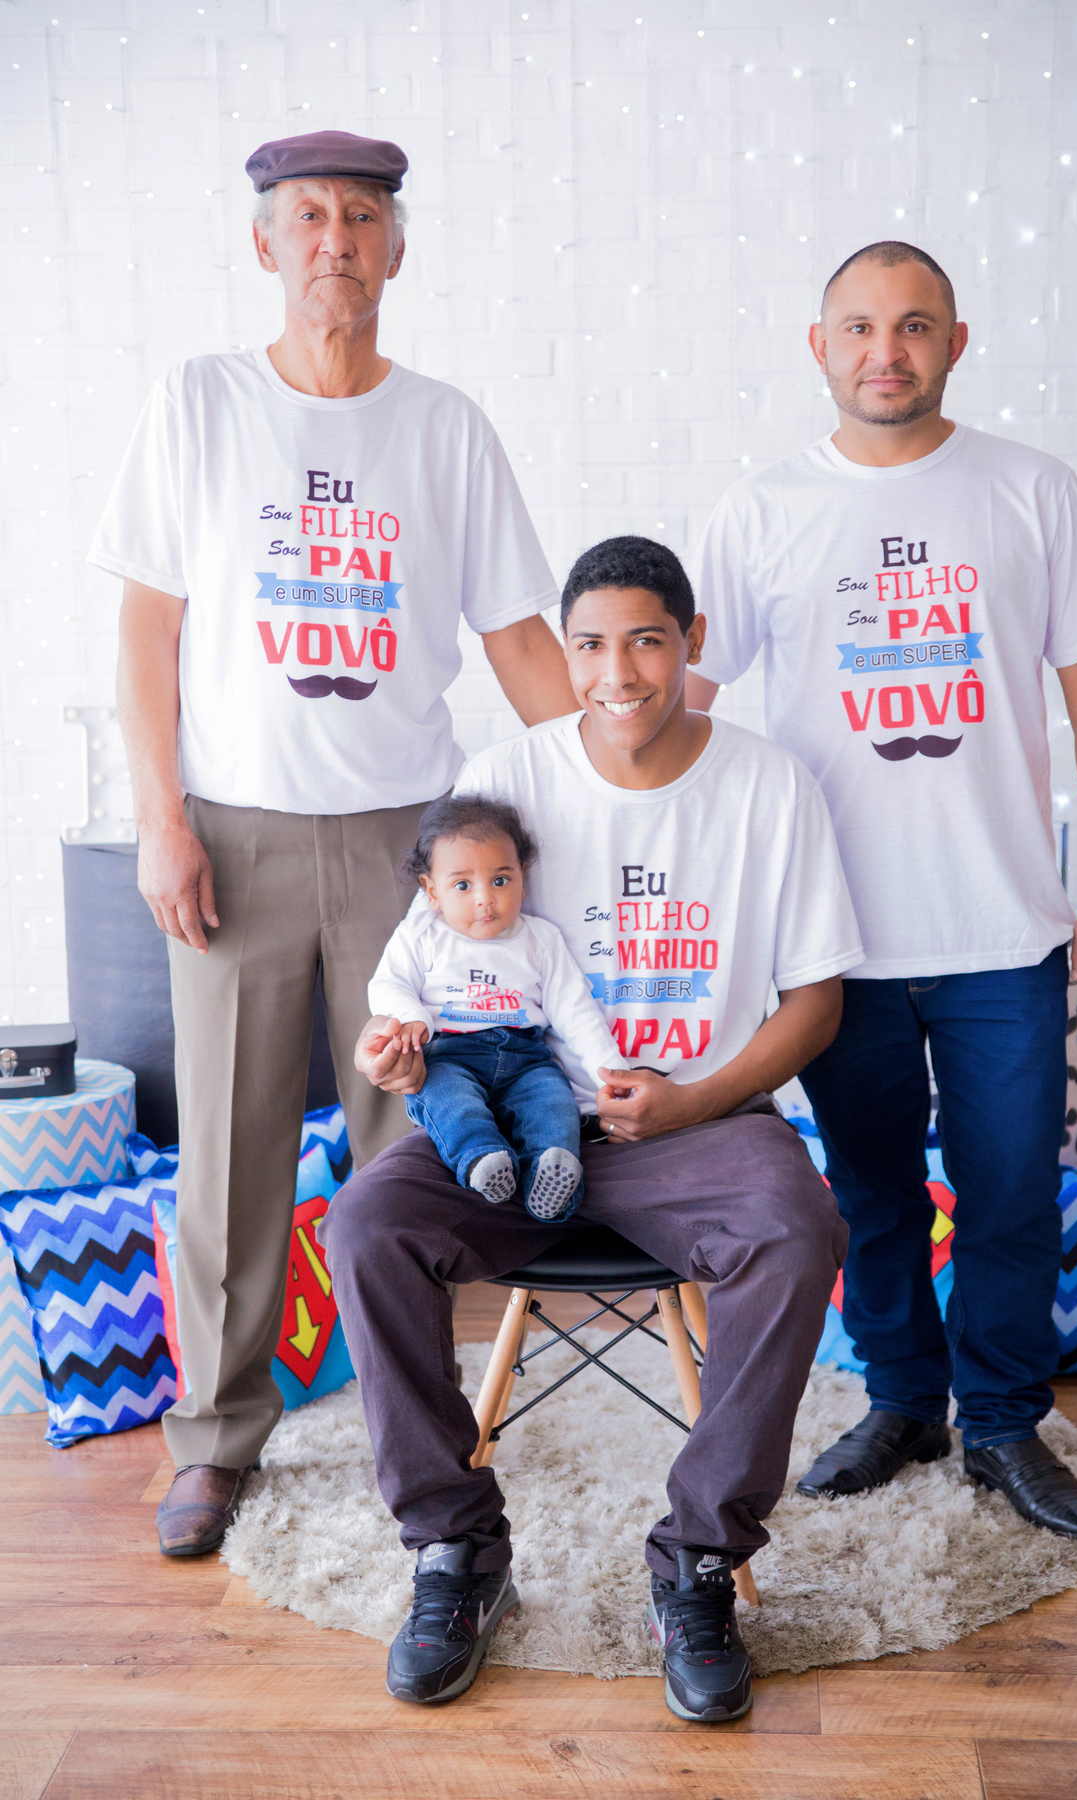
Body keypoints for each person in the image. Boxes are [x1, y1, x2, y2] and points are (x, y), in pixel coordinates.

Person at [87, 129, 576, 1558]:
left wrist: (620, 779)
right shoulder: (198, 404)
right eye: (307, 216)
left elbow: (518, 638)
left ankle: (407, 1429)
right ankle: (214, 1443)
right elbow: (146, 630)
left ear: (397, 248)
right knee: (229, 1157)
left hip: (406, 847)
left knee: (409, 1150)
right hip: (231, 833)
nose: (335, 241)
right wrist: (161, 820)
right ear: (266, 245)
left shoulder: (444, 427)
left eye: (361, 216)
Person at [323, 536, 864, 1722]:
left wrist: (695, 1098)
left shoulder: (768, 785)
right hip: (513, 1119)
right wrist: (393, 1044)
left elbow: (816, 1001)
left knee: (796, 1228)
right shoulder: (506, 776)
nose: (616, 673)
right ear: (564, 653)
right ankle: (456, 1550)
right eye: (589, 645)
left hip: (700, 1125)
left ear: (692, 643)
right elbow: (425, 958)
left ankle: (700, 1560)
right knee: (365, 1223)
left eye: (646, 641)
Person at [687, 240, 1077, 1542]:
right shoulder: (762, 511)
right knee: (872, 1193)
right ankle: (902, 1401)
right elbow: (684, 709)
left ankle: (1001, 1420)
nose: (884, 351)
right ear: (819, 345)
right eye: (859, 326)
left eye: (913, 326)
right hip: (836, 937)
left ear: (956, 342)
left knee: (1012, 1192)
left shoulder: (1030, 491)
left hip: (1004, 923)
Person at [365, 793, 629, 1220]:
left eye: (501, 881)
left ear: (523, 879)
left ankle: (552, 1170)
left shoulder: (540, 939)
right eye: (463, 885)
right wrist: (410, 1017)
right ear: (432, 891)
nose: (485, 899)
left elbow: (574, 1010)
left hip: (526, 1057)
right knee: (450, 1103)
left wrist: (611, 1070)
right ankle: (482, 1159)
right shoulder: (421, 935)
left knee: (553, 1105)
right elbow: (388, 984)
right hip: (448, 1055)